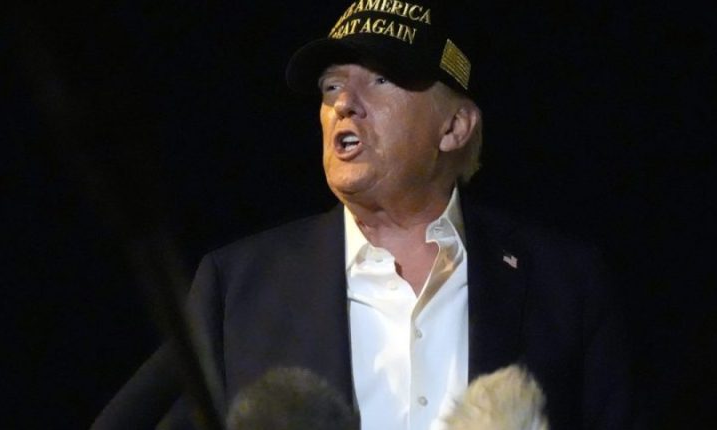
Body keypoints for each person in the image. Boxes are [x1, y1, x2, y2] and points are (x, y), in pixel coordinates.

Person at [93, 1, 630, 429]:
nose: (344, 103)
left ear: (455, 128)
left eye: (379, 80)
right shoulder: (238, 288)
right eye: (331, 86)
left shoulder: (565, 283)